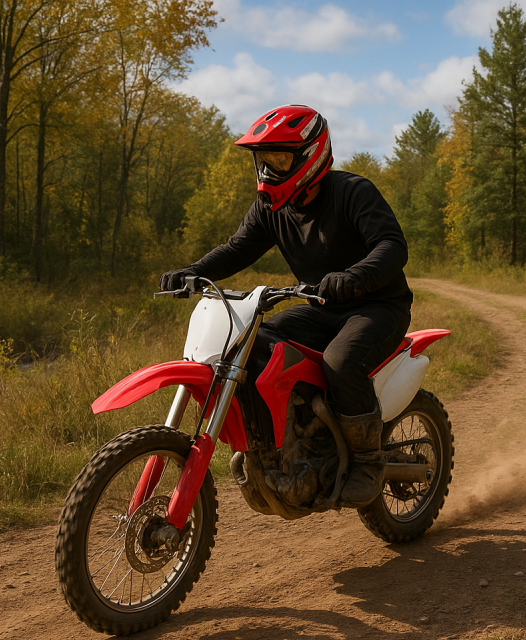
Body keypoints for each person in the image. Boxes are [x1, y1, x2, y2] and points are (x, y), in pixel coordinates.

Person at [159, 104, 412, 506]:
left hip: (377, 307)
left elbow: (391, 246)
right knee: (254, 343)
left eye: (278, 159)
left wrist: (354, 277)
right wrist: (193, 271)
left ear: (311, 156)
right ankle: (283, 442)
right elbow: (237, 248)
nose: (267, 171)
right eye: (263, 160)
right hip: (320, 306)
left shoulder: (352, 192)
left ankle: (367, 461)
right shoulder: (271, 208)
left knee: (341, 362)